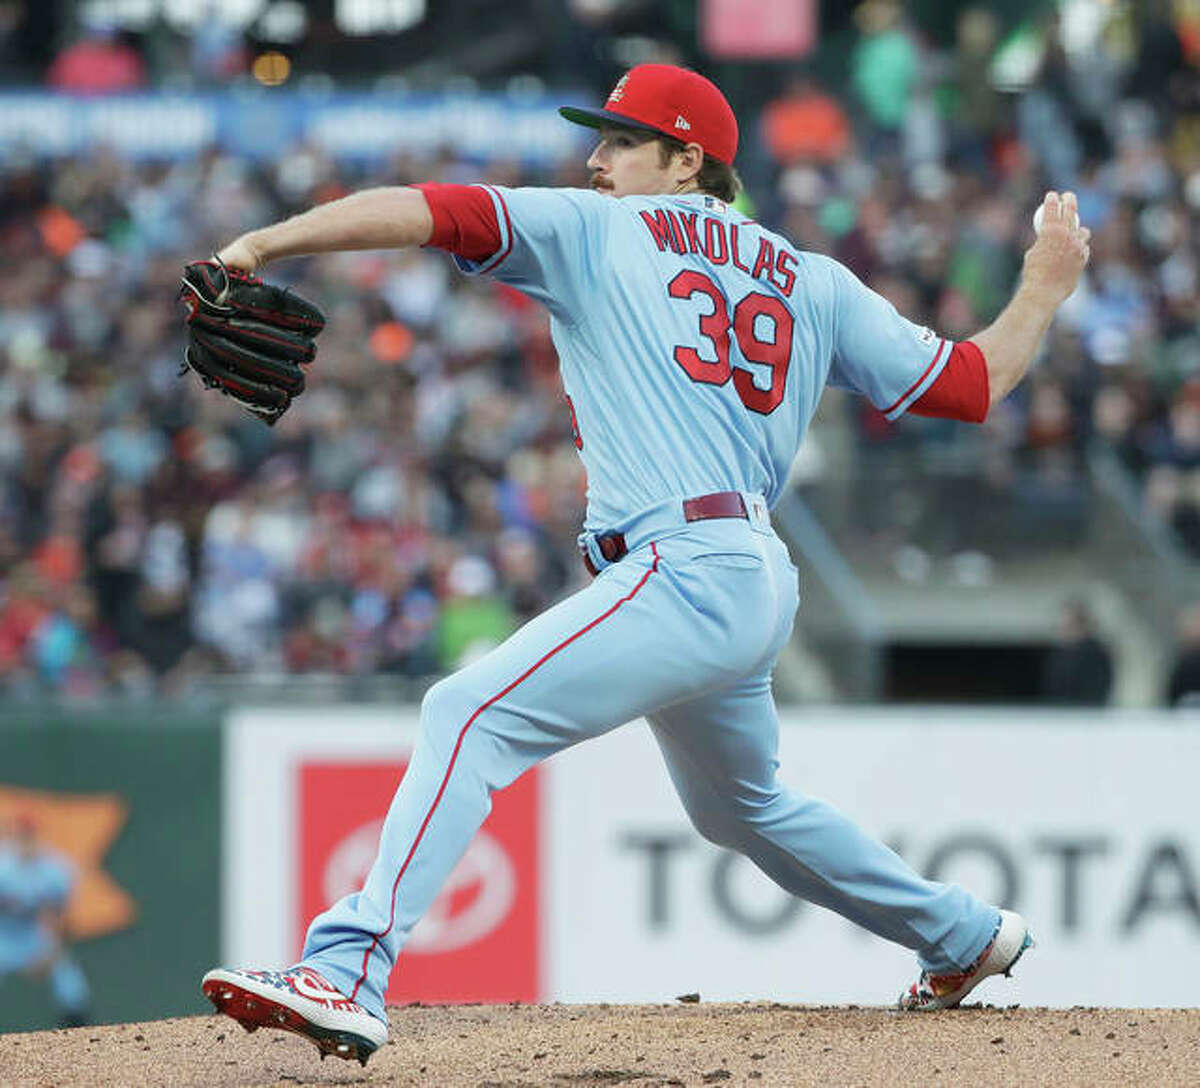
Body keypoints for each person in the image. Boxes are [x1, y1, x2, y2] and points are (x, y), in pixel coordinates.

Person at [199, 64, 1090, 1065]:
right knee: (741, 806)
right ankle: (965, 934)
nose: (596, 159)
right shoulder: (813, 277)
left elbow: (425, 209)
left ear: (685, 159)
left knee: (469, 713)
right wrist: (1044, 285)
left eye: (621, 140)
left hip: (684, 566)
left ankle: (347, 971)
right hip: (751, 572)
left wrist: (265, 242)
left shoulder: (597, 227)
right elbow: (974, 382)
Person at [0, 811, 91, 1028]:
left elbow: (62, 917)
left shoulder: (56, 869)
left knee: (70, 981)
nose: (26, 840)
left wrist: (51, 951)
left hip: (33, 935)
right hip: (3, 935)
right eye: (22, 834)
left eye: (30, 834)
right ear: (13, 834)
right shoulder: (3, 866)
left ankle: (78, 1035)